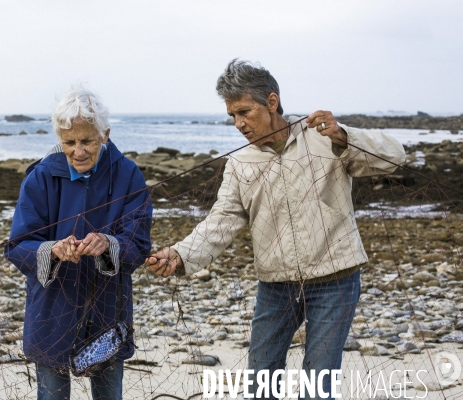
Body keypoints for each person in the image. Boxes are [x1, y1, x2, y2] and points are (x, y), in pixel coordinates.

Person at [145, 59, 406, 399]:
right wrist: (180, 255)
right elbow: (221, 219)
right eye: (232, 116)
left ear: (271, 102)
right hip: (276, 286)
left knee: (317, 387)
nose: (239, 124)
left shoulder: (324, 137)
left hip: (336, 280)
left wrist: (343, 136)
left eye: (244, 112)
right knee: (260, 382)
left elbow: (396, 156)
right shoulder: (239, 163)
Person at [5, 84, 152, 400]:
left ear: (106, 134)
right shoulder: (40, 177)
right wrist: (52, 250)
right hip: (51, 310)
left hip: (108, 312)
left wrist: (108, 244)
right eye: (69, 142)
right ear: (59, 138)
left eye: (87, 141)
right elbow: (18, 246)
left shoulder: (128, 175)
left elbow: (138, 243)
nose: (78, 151)